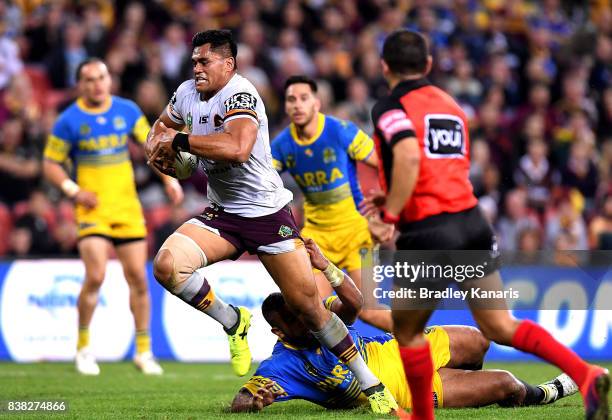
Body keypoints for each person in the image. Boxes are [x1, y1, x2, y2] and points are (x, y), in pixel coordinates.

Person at [144, 30, 397, 414]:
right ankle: (233, 321)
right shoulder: (185, 94)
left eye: (204, 60)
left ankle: (370, 382)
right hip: (224, 214)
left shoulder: (241, 95)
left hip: (267, 215)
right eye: (193, 60)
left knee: (310, 309)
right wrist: (155, 148)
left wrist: (179, 142)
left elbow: (238, 147)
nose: (195, 66)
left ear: (228, 65)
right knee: (167, 265)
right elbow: (160, 128)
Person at [362, 29, 609, 420]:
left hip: (428, 230)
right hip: (472, 223)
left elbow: (409, 156)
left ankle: (422, 418)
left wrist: (391, 211)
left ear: (384, 66)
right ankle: (586, 373)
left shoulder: (390, 106)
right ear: (427, 65)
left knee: (407, 331)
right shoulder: (452, 106)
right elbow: (441, 166)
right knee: (500, 325)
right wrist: (395, 190)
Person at [229, 239, 579, 413]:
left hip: (396, 346)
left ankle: (466, 383)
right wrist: (251, 401)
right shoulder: (283, 365)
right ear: (279, 332)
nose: (302, 319)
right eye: (290, 320)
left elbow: (353, 304)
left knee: (478, 341)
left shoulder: (318, 313)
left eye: (298, 310)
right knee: (507, 384)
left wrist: (325, 266)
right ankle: (546, 393)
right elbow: (244, 398)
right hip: (403, 388)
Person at [43, 58, 184, 375]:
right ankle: (83, 348)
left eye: (101, 77)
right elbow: (50, 163)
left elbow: (153, 145)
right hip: (92, 210)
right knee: (95, 276)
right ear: (81, 84)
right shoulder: (69, 120)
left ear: (110, 80)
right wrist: (72, 189)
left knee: (138, 279)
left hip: (126, 208)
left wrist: (169, 180)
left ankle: (144, 352)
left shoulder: (127, 111)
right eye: (89, 79)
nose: (96, 84)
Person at [271, 75, 391, 330]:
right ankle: (328, 366)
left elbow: (385, 165)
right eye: (291, 99)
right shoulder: (282, 145)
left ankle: (423, 341)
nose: (297, 105)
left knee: (369, 309)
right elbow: (262, 181)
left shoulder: (340, 131)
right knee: (313, 307)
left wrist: (388, 213)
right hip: (318, 238)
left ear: (317, 103)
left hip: (358, 234)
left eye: (304, 98)